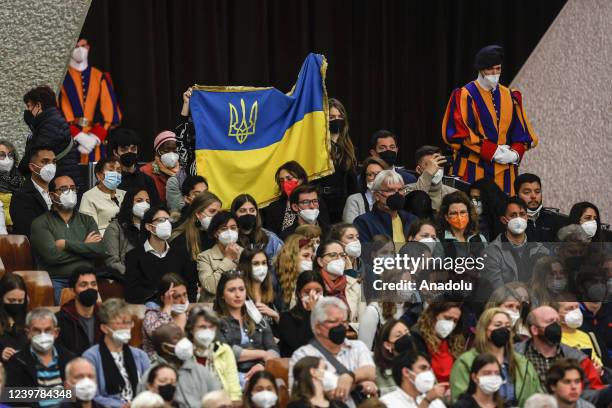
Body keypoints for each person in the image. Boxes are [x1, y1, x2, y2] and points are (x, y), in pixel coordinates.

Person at [442, 44, 538, 195]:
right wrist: (495, 152)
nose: (494, 73)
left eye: (498, 69)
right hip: (473, 170)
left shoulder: (510, 95)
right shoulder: (465, 95)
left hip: (506, 173)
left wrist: (514, 154)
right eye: (490, 69)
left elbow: (523, 133)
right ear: (480, 69)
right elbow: (460, 135)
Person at [30, 175, 107, 304]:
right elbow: (52, 256)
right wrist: (85, 248)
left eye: (72, 188)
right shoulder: (41, 223)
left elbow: (100, 249)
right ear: (52, 195)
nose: (70, 192)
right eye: (64, 189)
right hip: (56, 279)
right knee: (65, 315)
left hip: (86, 278)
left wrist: (66, 244)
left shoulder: (87, 220)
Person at [289, 297, 377, 408]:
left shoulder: (357, 346)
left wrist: (350, 377)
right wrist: (358, 385)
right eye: (333, 321)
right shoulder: (303, 355)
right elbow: (301, 396)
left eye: (344, 322)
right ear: (318, 327)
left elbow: (371, 371)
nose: (340, 326)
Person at [515, 306, 607, 405]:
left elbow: (593, 392)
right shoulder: (516, 355)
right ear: (534, 330)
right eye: (550, 321)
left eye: (557, 322)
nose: (556, 326)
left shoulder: (577, 357)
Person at [450, 308, 542, 407]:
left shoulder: (523, 363)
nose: (504, 329)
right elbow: (459, 398)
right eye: (498, 325)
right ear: (484, 329)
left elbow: (537, 398)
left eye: (508, 326)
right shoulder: (466, 361)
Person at [59, 38, 122, 164]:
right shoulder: (61, 77)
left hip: (95, 141)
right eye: (76, 46)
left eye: (83, 45)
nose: (80, 49)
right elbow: (56, 111)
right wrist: (77, 135)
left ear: (88, 47)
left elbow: (110, 111)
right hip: (68, 139)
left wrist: (94, 137)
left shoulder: (100, 77)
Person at [213, 271, 279, 386]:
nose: (238, 295)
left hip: (260, 375)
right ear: (222, 295)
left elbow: (274, 349)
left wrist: (262, 365)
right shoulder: (214, 321)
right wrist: (262, 353)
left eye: (241, 289)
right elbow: (226, 352)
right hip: (229, 378)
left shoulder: (256, 317)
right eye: (231, 290)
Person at [83, 299, 150, 408]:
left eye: (128, 322)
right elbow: (91, 395)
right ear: (104, 328)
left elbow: (150, 387)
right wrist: (119, 406)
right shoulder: (90, 357)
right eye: (119, 323)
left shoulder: (140, 355)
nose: (126, 327)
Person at [125, 205, 197, 304]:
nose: (167, 224)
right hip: (148, 308)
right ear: (149, 226)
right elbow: (132, 292)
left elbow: (191, 287)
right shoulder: (133, 256)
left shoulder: (181, 254)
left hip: (179, 307)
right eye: (161, 220)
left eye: (168, 220)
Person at [5, 308, 77, 407]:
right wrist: (62, 393)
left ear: (56, 333)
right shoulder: (17, 361)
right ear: (28, 333)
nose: (43, 335)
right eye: (37, 330)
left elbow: (82, 395)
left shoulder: (71, 359)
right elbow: (10, 395)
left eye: (47, 330)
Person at [139, 323, 221, 408]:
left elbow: (219, 400)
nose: (184, 341)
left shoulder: (200, 371)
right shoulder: (150, 376)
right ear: (165, 347)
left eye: (184, 337)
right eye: (177, 338)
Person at [481, 197, 549, 289]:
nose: (518, 219)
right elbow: (497, 290)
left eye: (522, 214)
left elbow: (546, 286)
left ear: (527, 217)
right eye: (513, 215)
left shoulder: (541, 249)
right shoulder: (491, 253)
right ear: (504, 220)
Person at [21, 86, 81, 188]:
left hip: (59, 184)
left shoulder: (50, 124)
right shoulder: (52, 121)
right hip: (63, 179)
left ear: (38, 106)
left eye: (29, 106)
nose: (28, 110)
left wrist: (20, 170)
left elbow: (35, 154)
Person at [311, 98, 359, 223]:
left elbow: (353, 183)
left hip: (343, 204)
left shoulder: (349, 148)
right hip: (322, 202)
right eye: (331, 117)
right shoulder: (316, 147)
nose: (336, 120)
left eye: (339, 116)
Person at [185, 306, 242, 402]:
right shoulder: (184, 353)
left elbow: (234, 390)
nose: (207, 331)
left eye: (211, 327)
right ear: (191, 329)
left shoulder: (224, 350)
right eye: (202, 327)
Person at [261, 161, 330, 236]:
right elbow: (271, 237)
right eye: (281, 180)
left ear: (301, 180)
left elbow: (325, 229)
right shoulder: (273, 207)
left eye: (289, 179)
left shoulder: (316, 202)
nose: (285, 183)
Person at [353, 169, 417, 243]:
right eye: (390, 190)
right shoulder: (363, 222)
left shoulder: (412, 220)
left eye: (400, 189)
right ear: (377, 195)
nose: (397, 194)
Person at [411, 301, 467, 383]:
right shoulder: (416, 337)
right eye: (447, 318)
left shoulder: (455, 339)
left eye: (455, 321)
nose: (451, 324)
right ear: (433, 315)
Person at [196, 211, 243, 301]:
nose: (229, 232)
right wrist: (228, 259)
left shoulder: (245, 254)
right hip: (215, 308)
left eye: (233, 228)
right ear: (215, 233)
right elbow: (212, 287)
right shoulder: (204, 257)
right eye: (224, 229)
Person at [10, 146, 55, 237]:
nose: (51, 166)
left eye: (54, 162)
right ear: (32, 167)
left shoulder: (59, 191)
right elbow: (32, 233)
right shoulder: (21, 197)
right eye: (45, 162)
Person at [314, 240, 364, 324]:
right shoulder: (311, 284)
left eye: (342, 255)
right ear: (320, 261)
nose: (339, 259)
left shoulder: (355, 284)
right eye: (333, 255)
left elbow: (364, 322)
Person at [103, 188, 150, 275]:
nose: (145, 204)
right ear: (129, 203)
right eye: (139, 201)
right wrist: (134, 276)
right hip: (127, 278)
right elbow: (112, 262)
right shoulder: (115, 228)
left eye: (148, 201)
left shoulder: (151, 228)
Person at [56, 267, 102, 356]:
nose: (90, 288)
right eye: (83, 285)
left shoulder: (105, 318)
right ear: (73, 290)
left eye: (93, 284)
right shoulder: (60, 319)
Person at [553, 299, 610, 370]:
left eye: (577, 307)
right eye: (569, 308)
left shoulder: (587, 334)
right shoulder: (555, 339)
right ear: (556, 313)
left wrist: (599, 368)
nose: (575, 311)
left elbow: (599, 361)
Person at [108, 128, 160, 204]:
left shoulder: (147, 180)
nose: (129, 152)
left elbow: (156, 206)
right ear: (115, 152)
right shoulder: (110, 180)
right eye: (124, 150)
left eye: (133, 149)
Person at [278, 271, 325, 357]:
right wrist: (310, 312)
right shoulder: (287, 318)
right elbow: (301, 346)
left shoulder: (328, 316)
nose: (313, 296)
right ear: (299, 294)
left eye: (317, 291)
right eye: (307, 292)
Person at [379, 349, 448, 408]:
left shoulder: (435, 402)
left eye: (429, 369)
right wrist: (426, 401)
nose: (428, 373)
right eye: (423, 368)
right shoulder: (387, 403)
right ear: (406, 372)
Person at [142, 274, 189, 358]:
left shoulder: (188, 315)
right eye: (176, 297)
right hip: (157, 364)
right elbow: (158, 336)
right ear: (164, 298)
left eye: (184, 294)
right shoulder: (151, 315)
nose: (183, 301)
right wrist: (167, 307)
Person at [170, 190, 220, 269]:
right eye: (212, 211)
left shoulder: (216, 237)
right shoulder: (179, 239)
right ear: (198, 214)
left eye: (218, 213)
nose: (217, 217)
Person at [231, 193, 284, 265]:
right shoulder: (229, 239)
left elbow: (283, 267)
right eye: (242, 211)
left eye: (252, 210)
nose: (248, 213)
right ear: (234, 214)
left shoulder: (271, 239)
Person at [79, 156, 125, 235]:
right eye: (111, 170)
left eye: (118, 171)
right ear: (99, 175)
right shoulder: (89, 197)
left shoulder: (125, 194)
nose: (116, 174)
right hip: (103, 241)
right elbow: (90, 230)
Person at [514, 173, 566, 243]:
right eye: (527, 192)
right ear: (516, 195)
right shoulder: (510, 221)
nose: (533, 196)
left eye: (537, 192)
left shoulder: (556, 220)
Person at [436, 191, 487, 259]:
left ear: (469, 214)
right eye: (454, 213)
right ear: (446, 217)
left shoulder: (480, 239)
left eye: (463, 212)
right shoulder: (438, 241)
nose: (459, 217)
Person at [405, 145, 457, 211]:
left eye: (438, 163)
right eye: (430, 165)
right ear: (418, 169)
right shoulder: (408, 190)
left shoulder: (454, 194)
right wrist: (428, 173)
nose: (435, 168)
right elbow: (415, 204)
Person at [238, 249, 279, 329]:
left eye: (264, 263)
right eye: (256, 264)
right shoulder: (239, 296)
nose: (261, 267)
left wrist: (276, 316)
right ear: (246, 266)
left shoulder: (271, 294)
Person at [274, 234, 316, 308]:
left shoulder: (308, 279)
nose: (310, 261)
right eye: (305, 256)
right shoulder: (274, 278)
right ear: (291, 256)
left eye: (311, 257)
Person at [372, 319, 412, 396]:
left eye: (407, 332)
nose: (405, 337)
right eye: (398, 335)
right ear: (388, 345)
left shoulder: (420, 361)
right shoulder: (376, 369)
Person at [343, 157, 387, 223]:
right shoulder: (354, 200)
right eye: (370, 175)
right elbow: (350, 229)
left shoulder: (391, 198)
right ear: (365, 178)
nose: (375, 178)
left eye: (379, 174)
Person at [141, 131, 181, 203]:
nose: (171, 154)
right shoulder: (145, 171)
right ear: (157, 151)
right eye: (166, 150)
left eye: (175, 151)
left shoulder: (182, 172)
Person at [0, 274, 28, 363]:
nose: (16, 304)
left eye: (20, 300)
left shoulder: (29, 318)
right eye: (11, 300)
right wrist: (1, 355)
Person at [0, 140, 23, 229]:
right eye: (2, 155)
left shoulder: (21, 178)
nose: (7, 159)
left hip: (19, 229)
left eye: (10, 155)